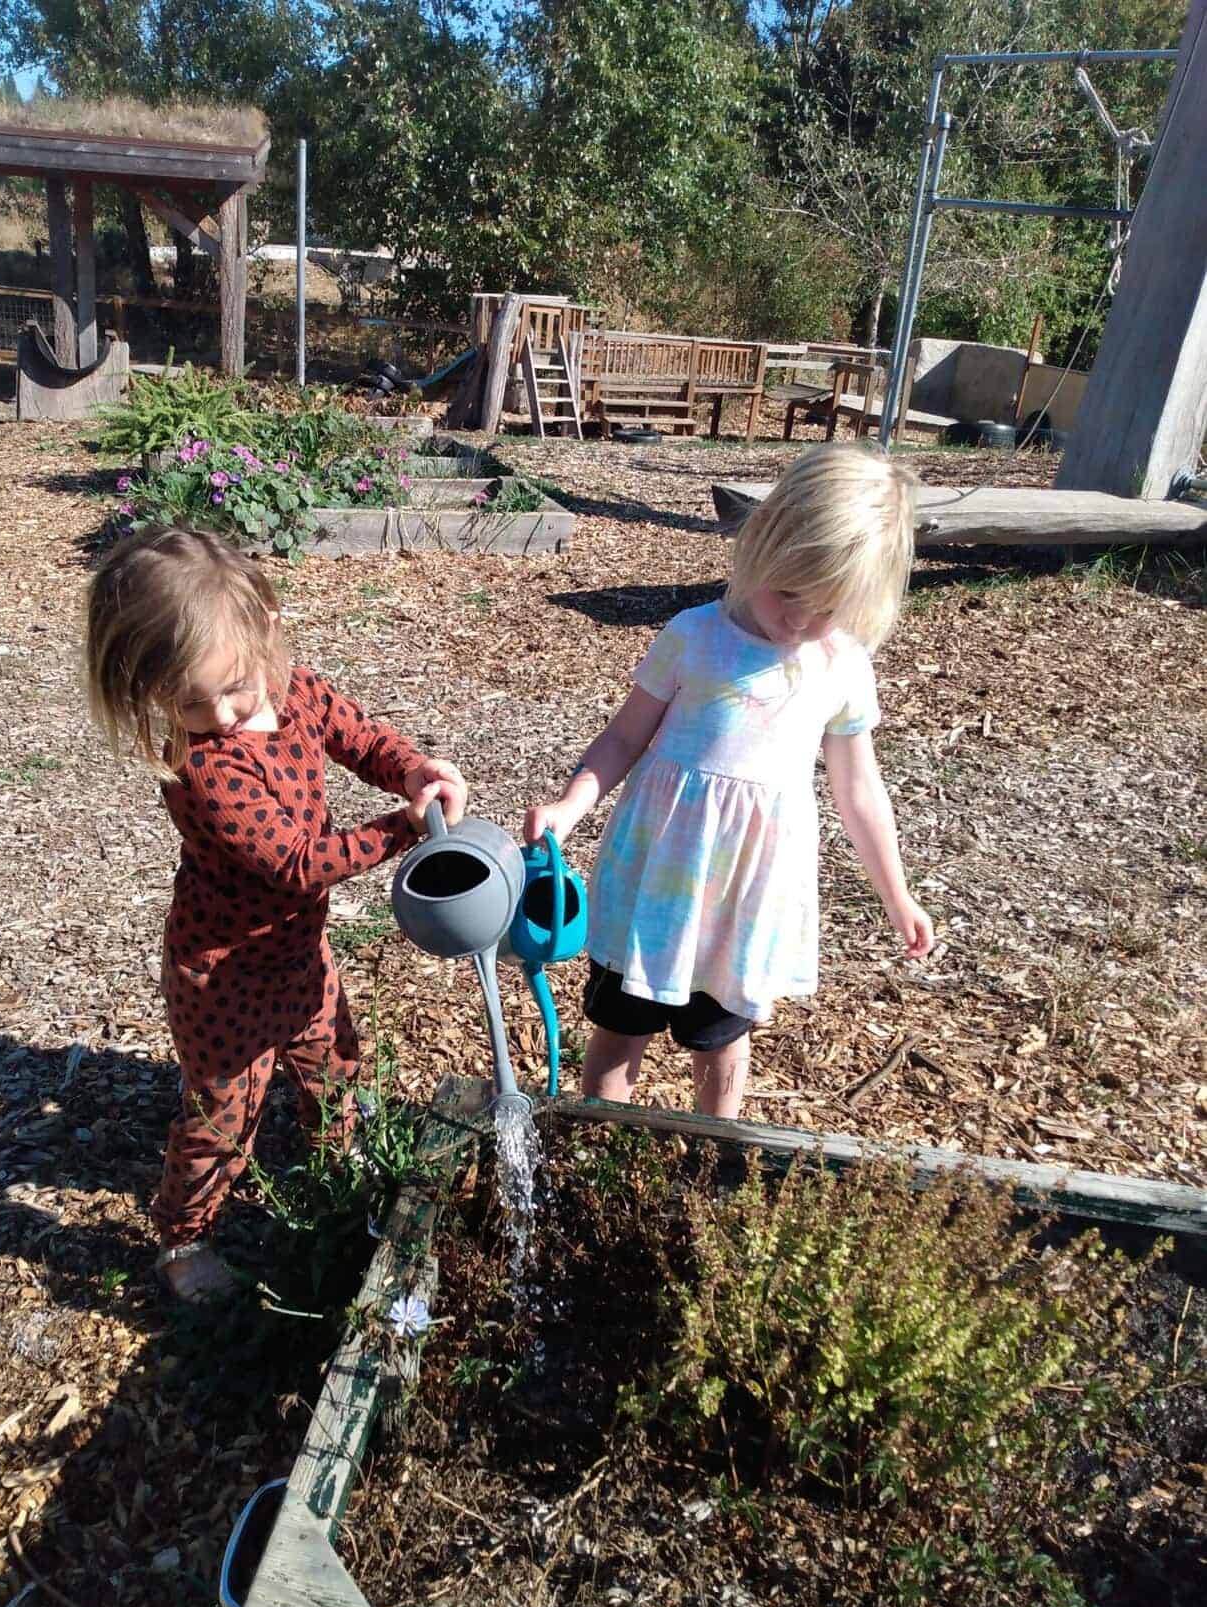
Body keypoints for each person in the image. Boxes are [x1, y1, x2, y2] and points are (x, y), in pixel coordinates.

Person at [85, 526, 466, 1300]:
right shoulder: (206, 770)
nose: (222, 714)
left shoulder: (294, 691)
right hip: (222, 977)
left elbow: (362, 739)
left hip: (298, 955)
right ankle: (184, 1243)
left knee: (337, 1065)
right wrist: (403, 827)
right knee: (223, 1116)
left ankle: (338, 1170)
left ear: (265, 633)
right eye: (191, 701)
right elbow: (296, 863)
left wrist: (415, 770)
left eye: (234, 689)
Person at [524, 442, 933, 1120]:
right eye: (790, 593)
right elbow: (625, 736)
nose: (800, 619)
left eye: (826, 606)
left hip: (749, 898)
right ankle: (599, 1147)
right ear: (761, 542)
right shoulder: (695, 636)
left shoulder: (841, 666)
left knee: (721, 1043)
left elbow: (860, 790)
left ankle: (713, 1161)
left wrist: (897, 895)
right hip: (657, 883)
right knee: (621, 1028)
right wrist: (572, 806)